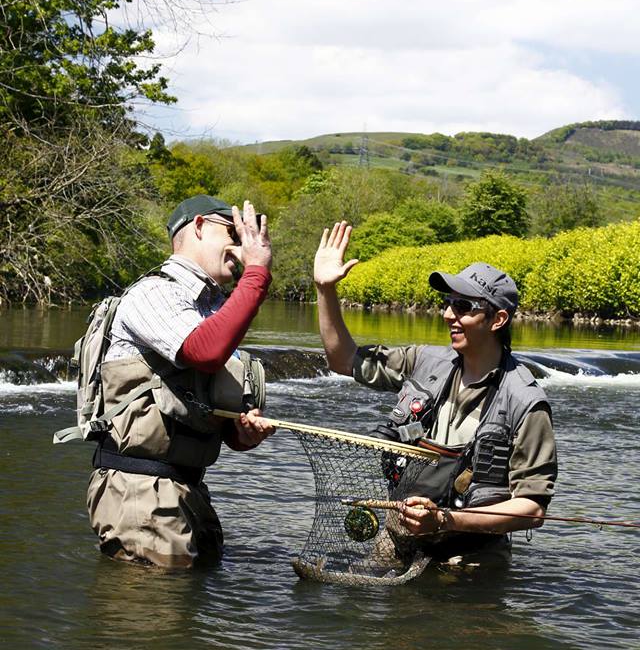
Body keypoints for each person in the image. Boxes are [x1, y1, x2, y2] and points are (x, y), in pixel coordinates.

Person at [313, 221, 557, 568]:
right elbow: (342, 360)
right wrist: (325, 290)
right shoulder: (423, 361)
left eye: (462, 306)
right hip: (398, 540)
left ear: (498, 319)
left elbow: (532, 509)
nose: (447, 315)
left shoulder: (525, 402)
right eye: (447, 302)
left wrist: (445, 520)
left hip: (471, 558)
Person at [87, 194, 274, 569]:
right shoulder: (155, 293)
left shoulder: (214, 307)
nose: (242, 245)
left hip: (189, 489)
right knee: (153, 617)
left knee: (184, 613)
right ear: (200, 226)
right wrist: (256, 273)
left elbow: (207, 409)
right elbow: (203, 351)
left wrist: (243, 433)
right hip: (140, 490)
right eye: (234, 233)